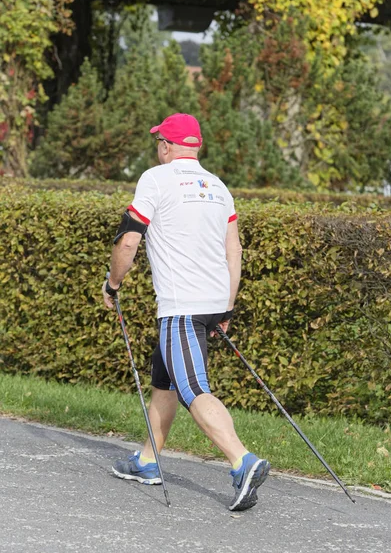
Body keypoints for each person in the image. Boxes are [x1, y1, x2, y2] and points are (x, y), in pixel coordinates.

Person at [102, 113, 270, 511]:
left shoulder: (155, 179)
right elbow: (234, 250)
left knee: (193, 387)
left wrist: (113, 283)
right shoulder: (218, 186)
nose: (157, 147)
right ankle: (146, 461)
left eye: (158, 141)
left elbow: (128, 242)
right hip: (212, 302)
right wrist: (227, 305)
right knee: (166, 381)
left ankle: (241, 461)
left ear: (165, 145)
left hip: (181, 307)